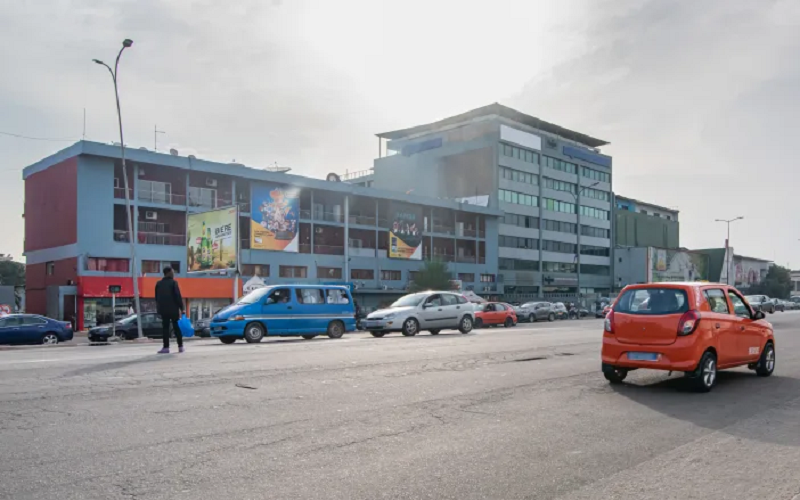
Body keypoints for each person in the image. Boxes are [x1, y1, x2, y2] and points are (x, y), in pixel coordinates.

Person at [155, 266, 185, 354]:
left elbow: (157, 298)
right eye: (172, 272)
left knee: (165, 329)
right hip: (173, 310)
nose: (173, 273)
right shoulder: (173, 283)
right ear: (168, 273)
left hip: (164, 310)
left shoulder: (158, 284)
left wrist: (159, 310)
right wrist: (182, 308)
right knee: (176, 327)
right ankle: (180, 346)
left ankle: (166, 347)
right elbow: (177, 296)